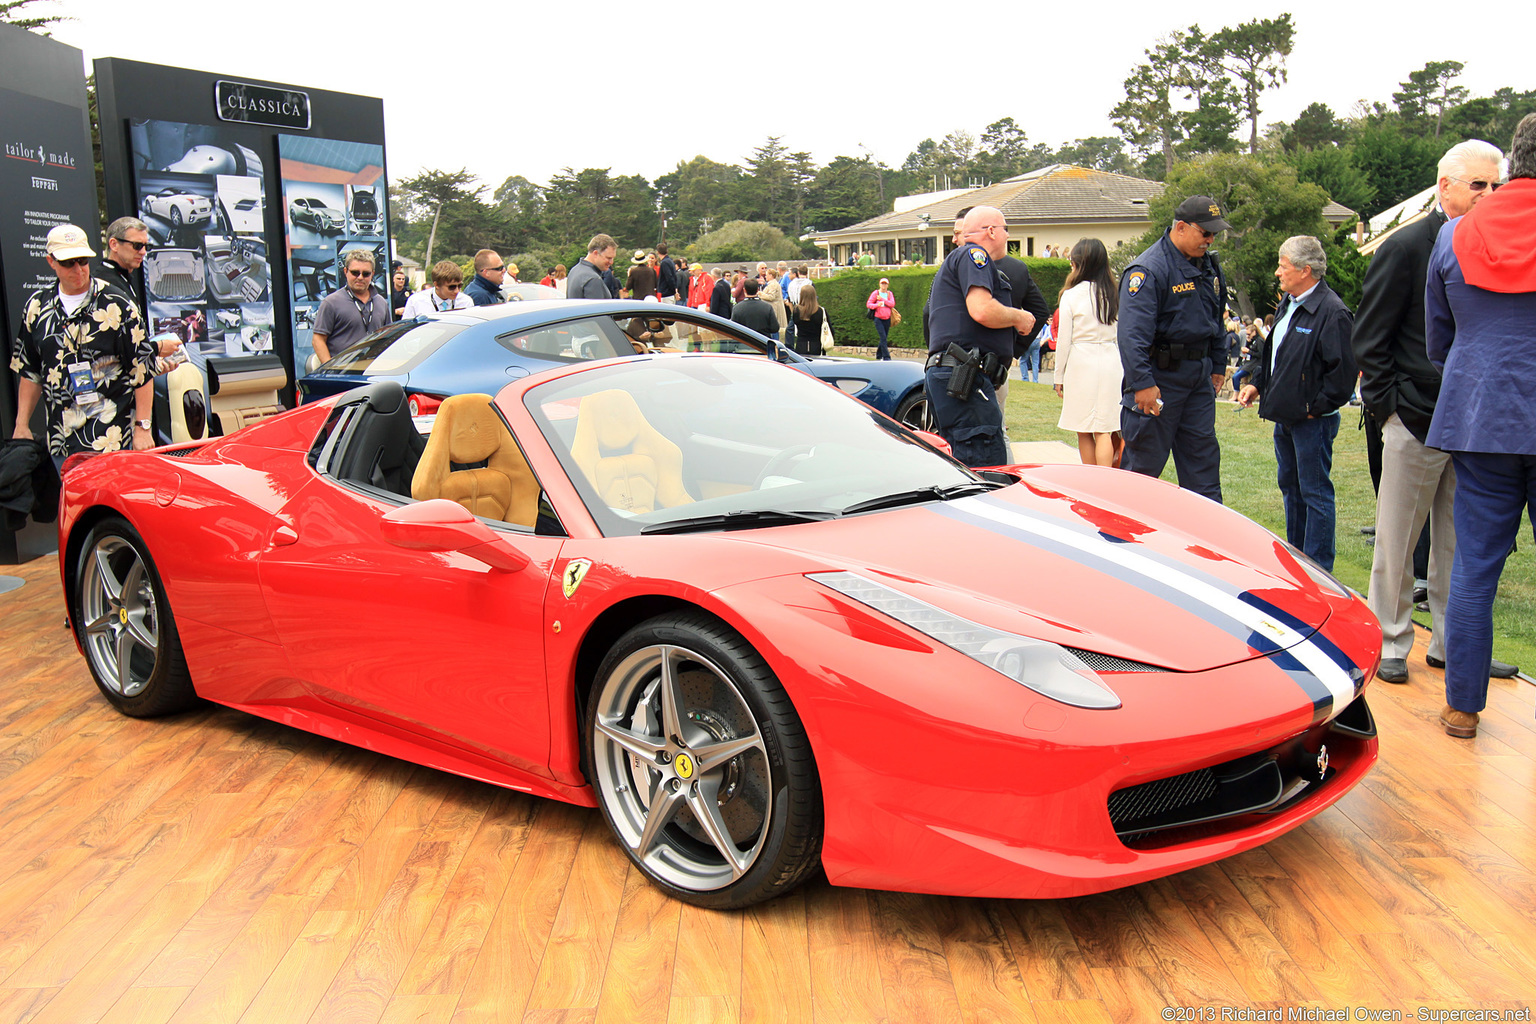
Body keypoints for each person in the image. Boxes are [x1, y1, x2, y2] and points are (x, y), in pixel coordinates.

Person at [1352, 138, 1509, 686]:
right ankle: (1390, 640)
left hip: (1472, 421)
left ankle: (1454, 644)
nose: (1489, 195)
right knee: (1399, 539)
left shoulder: (1495, 243)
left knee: (1459, 542)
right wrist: (1389, 409)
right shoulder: (1408, 246)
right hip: (1415, 415)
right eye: (1478, 185)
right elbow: (1370, 337)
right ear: (1445, 186)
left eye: (1496, 185)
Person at [1423, 115, 1536, 738]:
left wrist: (1473, 375)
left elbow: (1438, 333)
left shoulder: (1458, 231)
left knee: (1474, 566)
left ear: (1513, 159)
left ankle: (1462, 707)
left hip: (1478, 414)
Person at [1234, 236, 1357, 571]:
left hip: (1312, 422)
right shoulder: (1290, 302)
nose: (1277, 273)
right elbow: (1278, 355)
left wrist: (1313, 408)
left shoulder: (1332, 312)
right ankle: (1297, 560)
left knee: (1314, 493)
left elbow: (1343, 376)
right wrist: (1258, 384)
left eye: (1283, 266)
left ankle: (1318, 568)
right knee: (1291, 487)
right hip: (1286, 418)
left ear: (1305, 270)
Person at [10, 224, 156, 467]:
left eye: (83, 260)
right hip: (61, 441)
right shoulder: (37, 307)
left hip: (111, 440)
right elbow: (30, 370)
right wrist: (21, 424)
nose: (78, 269)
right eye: (69, 262)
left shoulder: (116, 303)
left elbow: (142, 370)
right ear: (51, 262)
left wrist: (143, 428)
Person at [1116, 195, 1231, 502]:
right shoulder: (1149, 270)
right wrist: (1142, 384)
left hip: (1198, 379)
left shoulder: (1208, 266)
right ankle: (1122, 544)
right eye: (1204, 232)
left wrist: (1218, 366)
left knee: (1204, 473)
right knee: (1142, 472)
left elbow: (1215, 321)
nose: (1210, 239)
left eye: (1213, 234)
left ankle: (1206, 547)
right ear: (1181, 227)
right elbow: (1131, 337)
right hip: (1160, 379)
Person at [923, 206, 1035, 467]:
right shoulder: (975, 254)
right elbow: (982, 310)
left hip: (960, 376)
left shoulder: (961, 261)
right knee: (984, 464)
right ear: (992, 231)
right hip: (965, 377)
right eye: (1006, 230)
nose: (1008, 237)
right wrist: (1019, 317)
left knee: (969, 459)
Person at [1053, 238, 1122, 467]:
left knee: (1084, 429)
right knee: (1105, 428)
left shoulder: (1071, 295)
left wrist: (1058, 377)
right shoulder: (1114, 292)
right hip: (1112, 360)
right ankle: (1107, 478)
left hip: (1081, 361)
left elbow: (1064, 341)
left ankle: (1091, 479)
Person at [311, 250, 389, 362]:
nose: (360, 277)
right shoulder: (331, 302)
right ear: (345, 271)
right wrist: (331, 370)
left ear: (372, 274)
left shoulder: (381, 302)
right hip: (343, 373)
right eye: (355, 273)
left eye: (366, 273)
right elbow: (318, 340)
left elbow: (387, 338)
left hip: (374, 371)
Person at [99, 216, 149, 316]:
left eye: (146, 246)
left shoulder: (122, 277)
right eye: (137, 246)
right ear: (114, 244)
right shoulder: (103, 282)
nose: (143, 252)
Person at [402, 260, 474, 317]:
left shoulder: (466, 302)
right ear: (436, 285)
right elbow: (406, 329)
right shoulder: (416, 301)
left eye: (460, 286)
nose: (457, 291)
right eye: (452, 287)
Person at [567, 234, 617, 300]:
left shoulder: (574, 270)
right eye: (608, 258)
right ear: (595, 253)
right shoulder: (593, 279)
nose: (611, 262)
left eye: (613, 258)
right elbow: (598, 309)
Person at [792, 283, 825, 356]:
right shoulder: (820, 311)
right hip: (816, 344)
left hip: (801, 343)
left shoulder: (797, 310)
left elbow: (794, 323)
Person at [866, 278, 896, 359]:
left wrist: (883, 300)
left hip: (887, 318)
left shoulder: (889, 294)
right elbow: (869, 304)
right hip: (878, 318)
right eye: (882, 284)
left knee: (884, 337)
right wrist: (876, 305)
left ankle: (878, 355)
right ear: (879, 284)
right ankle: (886, 357)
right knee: (883, 337)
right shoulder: (875, 293)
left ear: (887, 285)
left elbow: (892, 304)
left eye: (885, 284)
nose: (884, 285)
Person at [760, 269, 786, 341]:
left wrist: (760, 294)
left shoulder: (773, 285)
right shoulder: (771, 284)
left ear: (771, 275)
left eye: (767, 274)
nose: (765, 276)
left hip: (775, 309)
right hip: (773, 308)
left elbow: (771, 297)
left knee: (774, 328)